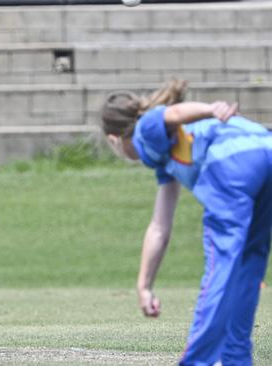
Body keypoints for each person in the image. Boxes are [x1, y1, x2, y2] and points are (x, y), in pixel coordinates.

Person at [101, 79, 272, 365]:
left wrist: (210, 108)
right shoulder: (166, 159)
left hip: (233, 165)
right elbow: (160, 227)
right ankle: (235, 357)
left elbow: (170, 114)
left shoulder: (145, 129)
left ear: (113, 139)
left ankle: (198, 360)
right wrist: (144, 285)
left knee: (222, 262)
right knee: (248, 262)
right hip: (266, 151)